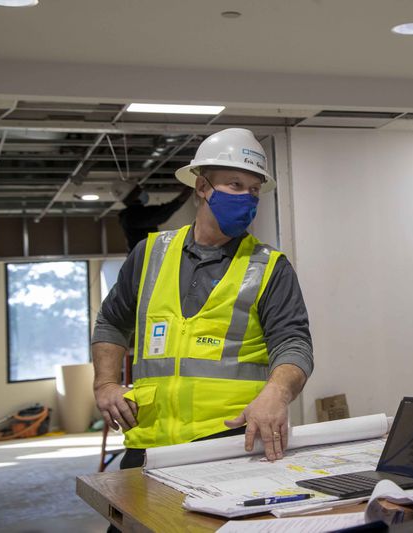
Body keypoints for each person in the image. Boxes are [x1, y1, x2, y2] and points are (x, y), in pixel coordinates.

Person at [92, 128, 313, 470]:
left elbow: (294, 343)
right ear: (202, 186)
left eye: (254, 190)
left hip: (230, 444)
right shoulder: (149, 253)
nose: (247, 198)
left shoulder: (270, 267)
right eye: (235, 185)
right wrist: (105, 383)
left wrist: (277, 394)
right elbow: (112, 321)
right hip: (149, 444)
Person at [116, 182, 193, 252]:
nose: (142, 191)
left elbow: (161, 212)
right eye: (139, 191)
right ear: (133, 196)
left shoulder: (130, 214)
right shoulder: (132, 216)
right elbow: (162, 214)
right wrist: (188, 190)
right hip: (144, 260)